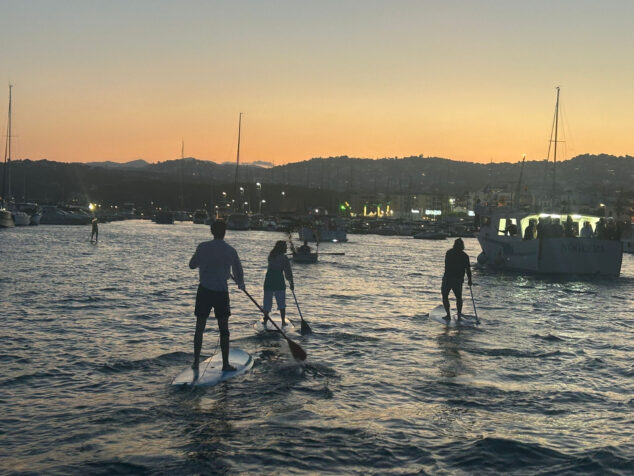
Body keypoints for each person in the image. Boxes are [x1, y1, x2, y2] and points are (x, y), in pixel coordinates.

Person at [189, 219, 244, 376]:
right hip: (221, 292)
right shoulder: (230, 251)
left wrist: (205, 262)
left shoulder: (202, 247)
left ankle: (195, 362)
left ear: (212, 232)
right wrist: (241, 284)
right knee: (224, 329)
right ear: (224, 232)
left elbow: (192, 265)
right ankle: (225, 364)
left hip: (204, 291)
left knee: (199, 327)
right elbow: (239, 272)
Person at [263, 240, 294, 327]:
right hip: (278, 279)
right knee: (281, 301)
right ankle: (283, 321)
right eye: (285, 247)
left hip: (269, 279)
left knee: (267, 301)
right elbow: (288, 271)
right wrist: (291, 282)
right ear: (282, 248)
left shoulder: (271, 256)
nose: (287, 248)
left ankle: (265, 320)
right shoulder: (284, 258)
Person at [441, 238, 472, 321]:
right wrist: (469, 280)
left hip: (449, 278)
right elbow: (468, 269)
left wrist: (469, 279)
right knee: (458, 297)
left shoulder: (450, 253)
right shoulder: (464, 256)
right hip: (456, 279)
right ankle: (458, 315)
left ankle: (449, 315)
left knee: (446, 296)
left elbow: (447, 265)